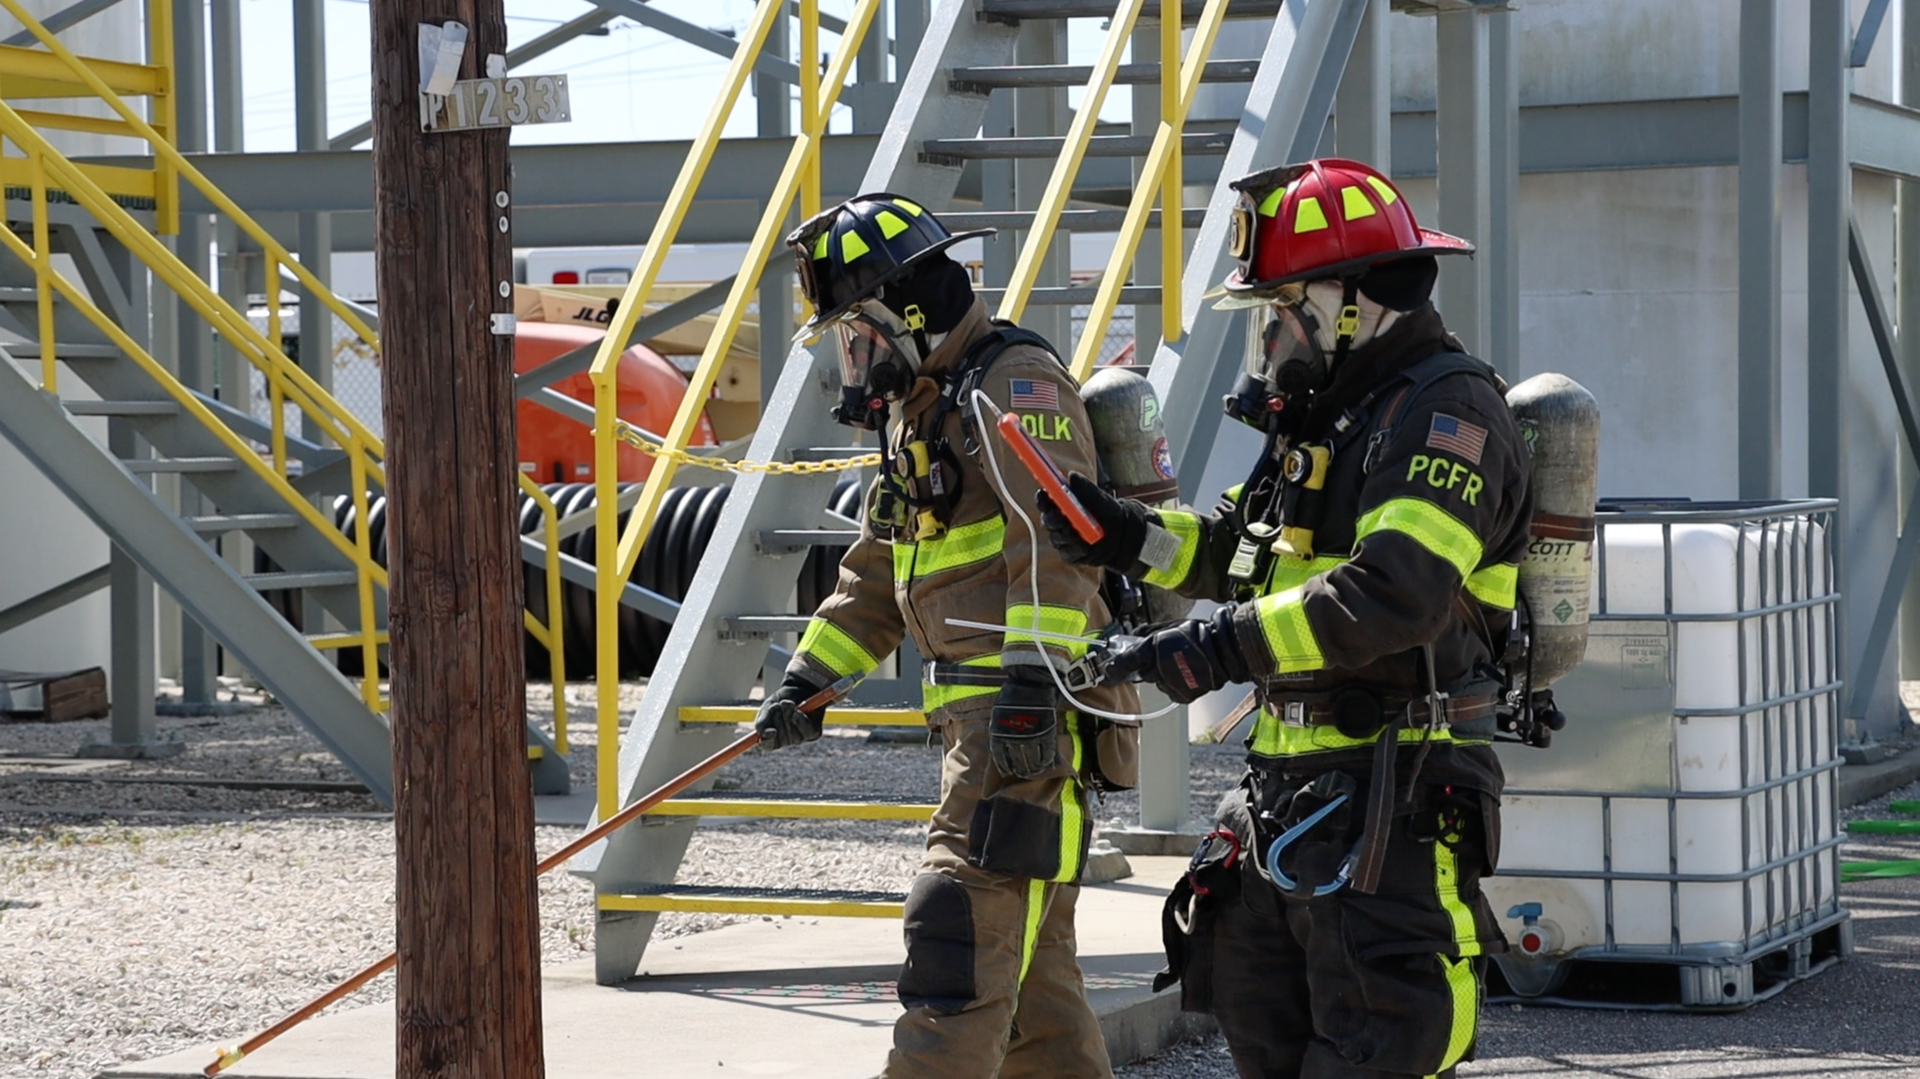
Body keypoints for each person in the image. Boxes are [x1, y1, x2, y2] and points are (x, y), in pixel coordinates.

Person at [1038, 158, 1534, 1079]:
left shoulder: (1445, 416)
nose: (1271, 337)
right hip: (1291, 796)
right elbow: (1235, 550)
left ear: (1350, 304)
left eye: (1283, 311)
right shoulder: (1331, 419)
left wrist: (1206, 647)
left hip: (1398, 792)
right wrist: (1123, 535)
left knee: (1378, 1048)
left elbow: (1389, 595)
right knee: (1261, 1032)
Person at [754, 192, 1142, 1079]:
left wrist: (1031, 689)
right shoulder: (924, 411)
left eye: (859, 335)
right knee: (1034, 990)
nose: (853, 360)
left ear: (908, 313)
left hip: (1022, 727)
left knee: (954, 947)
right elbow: (878, 571)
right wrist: (805, 680)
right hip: (989, 727)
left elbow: (1057, 541)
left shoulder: (1013, 387)